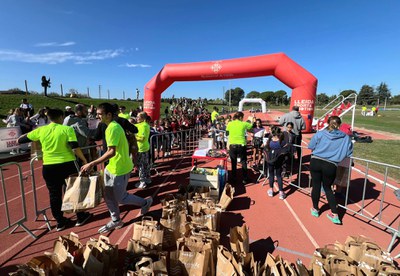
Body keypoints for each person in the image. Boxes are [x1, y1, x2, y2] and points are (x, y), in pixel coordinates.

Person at [81, 103, 152, 233]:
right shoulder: (108, 126)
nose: (97, 116)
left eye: (100, 114)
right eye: (97, 114)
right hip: (111, 167)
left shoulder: (113, 128)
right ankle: (116, 220)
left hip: (120, 168)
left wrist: (91, 163)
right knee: (107, 195)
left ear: (109, 115)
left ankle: (145, 203)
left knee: (121, 198)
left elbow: (111, 152)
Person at [17, 108, 92, 231]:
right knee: (73, 190)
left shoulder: (41, 130)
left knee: (54, 194)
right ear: (61, 117)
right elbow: (74, 147)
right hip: (67, 164)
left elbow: (20, 140)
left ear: (49, 118)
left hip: (49, 167)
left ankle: (60, 222)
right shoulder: (67, 129)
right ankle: (80, 216)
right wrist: (84, 160)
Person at [308, 116, 353, 224]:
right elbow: (348, 152)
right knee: (328, 188)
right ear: (339, 125)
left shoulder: (320, 133)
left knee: (316, 186)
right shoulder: (346, 138)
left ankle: (315, 209)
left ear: (327, 123)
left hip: (316, 161)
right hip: (331, 164)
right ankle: (335, 214)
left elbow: (311, 146)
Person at [226, 111, 253, 184]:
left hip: (232, 145)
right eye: (243, 117)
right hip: (241, 145)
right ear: (241, 117)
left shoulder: (230, 123)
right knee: (243, 161)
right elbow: (251, 126)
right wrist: (251, 119)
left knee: (233, 162)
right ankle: (245, 178)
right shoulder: (243, 124)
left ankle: (234, 178)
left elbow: (227, 133)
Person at [265, 127, 288, 199]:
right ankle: (281, 192)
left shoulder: (269, 141)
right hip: (278, 160)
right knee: (278, 175)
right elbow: (286, 147)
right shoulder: (281, 142)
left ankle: (271, 190)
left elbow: (267, 147)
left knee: (271, 174)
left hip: (270, 160)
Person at [134, 112, 152, 189]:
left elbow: (142, 138)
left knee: (141, 165)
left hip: (141, 148)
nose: (136, 118)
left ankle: (142, 181)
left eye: (138, 117)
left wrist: (133, 136)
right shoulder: (141, 125)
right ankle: (147, 179)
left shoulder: (144, 126)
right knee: (145, 164)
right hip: (143, 148)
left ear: (143, 118)